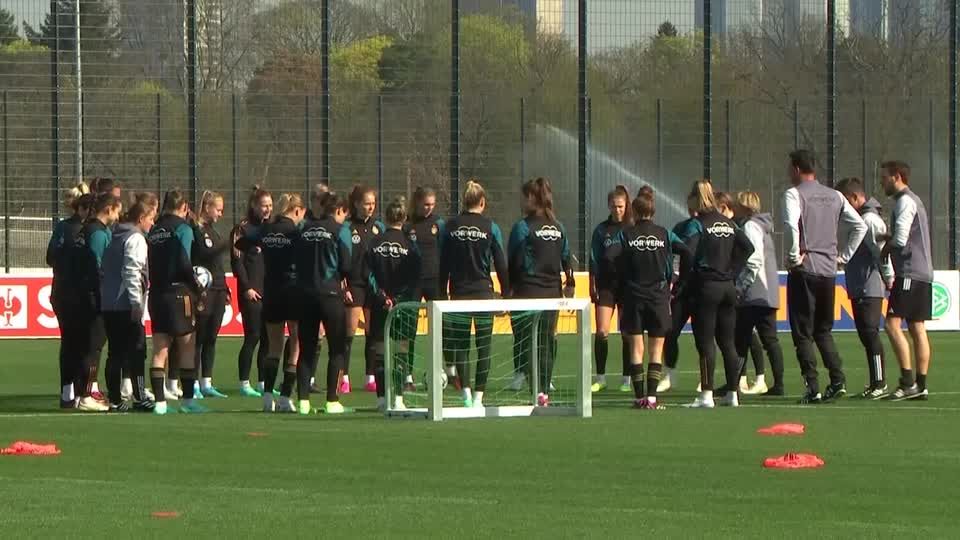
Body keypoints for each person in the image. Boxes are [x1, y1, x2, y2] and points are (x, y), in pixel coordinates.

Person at [782, 150, 866, 403]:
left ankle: (813, 388)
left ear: (796, 169)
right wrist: (844, 257)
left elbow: (790, 224)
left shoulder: (793, 194)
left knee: (802, 333)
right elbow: (859, 226)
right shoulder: (836, 195)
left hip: (806, 270)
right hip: (829, 271)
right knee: (823, 330)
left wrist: (794, 255)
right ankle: (837, 380)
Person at [615, 186, 691, 409]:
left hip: (634, 296)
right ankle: (652, 398)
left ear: (635, 213)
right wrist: (680, 279)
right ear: (653, 212)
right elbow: (687, 251)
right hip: (658, 296)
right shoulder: (664, 233)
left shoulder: (626, 234)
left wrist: (623, 272)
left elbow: (609, 255)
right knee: (656, 350)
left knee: (636, 348)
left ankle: (639, 398)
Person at [683, 180, 754, 408]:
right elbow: (748, 248)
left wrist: (685, 279)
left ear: (696, 199)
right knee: (728, 342)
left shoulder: (696, 224)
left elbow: (688, 253)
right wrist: (733, 270)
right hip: (728, 288)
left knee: (705, 342)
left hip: (707, 288)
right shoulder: (728, 223)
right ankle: (732, 393)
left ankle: (706, 394)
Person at [439, 180, 509, 408]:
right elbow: (501, 264)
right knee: (484, 346)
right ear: (482, 202)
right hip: (483, 294)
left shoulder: (450, 227)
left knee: (461, 345)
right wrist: (507, 294)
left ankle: (466, 394)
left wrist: (441, 293)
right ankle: (479, 397)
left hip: (458, 294)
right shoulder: (491, 227)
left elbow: (443, 264)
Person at [508, 177, 575, 407]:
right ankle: (544, 390)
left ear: (531, 198)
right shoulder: (558, 227)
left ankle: (536, 388)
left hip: (527, 292)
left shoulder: (523, 227)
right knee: (546, 341)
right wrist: (570, 283)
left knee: (526, 342)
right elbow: (567, 259)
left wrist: (509, 292)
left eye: (523, 197)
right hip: (552, 294)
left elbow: (514, 261)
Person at [237, 193, 306, 412]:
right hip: (293, 290)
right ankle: (285, 397)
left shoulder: (266, 230)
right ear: (296, 211)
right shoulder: (295, 232)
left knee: (274, 346)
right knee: (295, 343)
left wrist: (260, 246)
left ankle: (267, 397)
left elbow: (241, 241)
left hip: (271, 292)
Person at [834, 177, 894, 399]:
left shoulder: (869, 220)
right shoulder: (861, 219)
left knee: (870, 334)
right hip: (860, 285)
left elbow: (881, 253)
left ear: (854, 198)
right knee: (865, 335)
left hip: (870, 285)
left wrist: (888, 277)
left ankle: (880, 383)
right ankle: (874, 382)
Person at [879, 161, 934, 401]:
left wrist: (884, 248)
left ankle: (907, 381)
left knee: (891, 324)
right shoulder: (914, 200)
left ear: (897, 177)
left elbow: (901, 240)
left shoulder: (904, 201)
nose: (882, 182)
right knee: (917, 327)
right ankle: (921, 385)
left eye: (884, 178)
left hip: (910, 272)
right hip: (923, 271)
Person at [148, 190, 205, 415]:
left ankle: (160, 403)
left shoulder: (154, 230)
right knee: (187, 346)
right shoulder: (183, 229)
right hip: (179, 293)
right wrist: (196, 285)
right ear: (184, 207)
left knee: (160, 348)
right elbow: (184, 260)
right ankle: (189, 401)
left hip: (157, 293)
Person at [295, 191, 352, 415]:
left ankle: (303, 403)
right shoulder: (341, 230)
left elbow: (296, 259)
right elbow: (346, 264)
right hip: (330, 295)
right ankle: (332, 401)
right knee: (337, 349)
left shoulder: (305, 228)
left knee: (306, 349)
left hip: (306, 294)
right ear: (339, 211)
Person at [101, 193, 158, 412]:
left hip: (109, 303)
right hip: (126, 304)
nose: (152, 223)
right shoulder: (135, 238)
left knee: (115, 352)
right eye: (151, 218)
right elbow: (132, 271)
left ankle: (115, 400)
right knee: (137, 351)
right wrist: (136, 304)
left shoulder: (115, 234)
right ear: (141, 217)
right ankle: (140, 396)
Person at [70, 193, 123, 412]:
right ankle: (85, 395)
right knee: (94, 347)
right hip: (95, 297)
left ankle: (81, 393)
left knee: (85, 346)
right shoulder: (99, 234)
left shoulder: (85, 229)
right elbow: (100, 267)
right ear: (109, 209)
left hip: (80, 294)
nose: (118, 215)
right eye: (117, 210)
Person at [368, 197, 422, 411]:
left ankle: (381, 399)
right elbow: (415, 279)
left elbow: (368, 274)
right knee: (401, 350)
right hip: (403, 306)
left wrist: (382, 297)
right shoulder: (411, 246)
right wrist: (399, 299)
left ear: (386, 217)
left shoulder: (374, 244)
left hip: (380, 306)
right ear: (405, 218)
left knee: (380, 351)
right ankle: (398, 398)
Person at [733, 191, 785, 397]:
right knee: (768, 339)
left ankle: (733, 384)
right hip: (769, 291)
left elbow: (753, 260)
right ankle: (778, 384)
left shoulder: (750, 226)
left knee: (742, 338)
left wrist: (741, 286)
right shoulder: (765, 228)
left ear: (745, 207)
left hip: (755, 292)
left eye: (738, 206)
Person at [715, 191, 767, 395]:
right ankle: (739, 381)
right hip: (740, 287)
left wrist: (738, 281)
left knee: (748, 335)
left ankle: (749, 380)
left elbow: (751, 256)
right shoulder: (739, 226)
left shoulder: (742, 227)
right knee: (741, 335)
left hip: (745, 288)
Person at [47, 182, 92, 408]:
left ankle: (67, 394)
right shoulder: (89, 231)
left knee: (68, 343)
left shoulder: (62, 228)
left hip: (60, 293)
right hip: (81, 295)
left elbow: (50, 257)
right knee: (85, 345)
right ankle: (85, 393)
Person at [588, 185, 631, 394]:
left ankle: (626, 379)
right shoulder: (601, 230)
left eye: (621, 206)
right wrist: (591, 283)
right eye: (614, 206)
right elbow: (593, 258)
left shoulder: (631, 228)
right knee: (602, 331)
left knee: (626, 333)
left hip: (627, 287)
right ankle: (601, 378)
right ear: (609, 205)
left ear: (627, 205)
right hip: (606, 286)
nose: (618, 210)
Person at [343, 185, 385, 394]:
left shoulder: (379, 228)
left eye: (373, 204)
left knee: (372, 332)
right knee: (349, 332)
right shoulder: (347, 227)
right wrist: (344, 284)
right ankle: (344, 377)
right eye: (367, 203)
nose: (370, 207)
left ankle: (370, 377)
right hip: (354, 284)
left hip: (373, 285)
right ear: (357, 204)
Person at [232, 187, 273, 397]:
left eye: (270, 206)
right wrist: (247, 287)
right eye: (264, 205)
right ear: (254, 206)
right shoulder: (243, 229)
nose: (268, 210)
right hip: (251, 293)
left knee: (267, 338)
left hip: (269, 293)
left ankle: (263, 381)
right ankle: (244, 382)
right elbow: (237, 262)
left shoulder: (270, 229)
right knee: (253, 336)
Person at [404, 186, 446, 391]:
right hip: (413, 283)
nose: (429, 208)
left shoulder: (439, 224)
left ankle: (442, 371)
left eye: (432, 204)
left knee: (438, 329)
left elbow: (446, 252)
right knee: (408, 330)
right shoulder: (407, 225)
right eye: (425, 204)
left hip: (435, 282)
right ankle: (407, 375)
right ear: (417, 203)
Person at [658, 194, 699, 393]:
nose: (694, 210)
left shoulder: (706, 227)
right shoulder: (680, 227)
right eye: (691, 206)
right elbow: (671, 253)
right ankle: (670, 375)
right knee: (670, 331)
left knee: (704, 337)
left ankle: (705, 379)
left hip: (702, 289)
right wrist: (673, 277)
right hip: (681, 289)